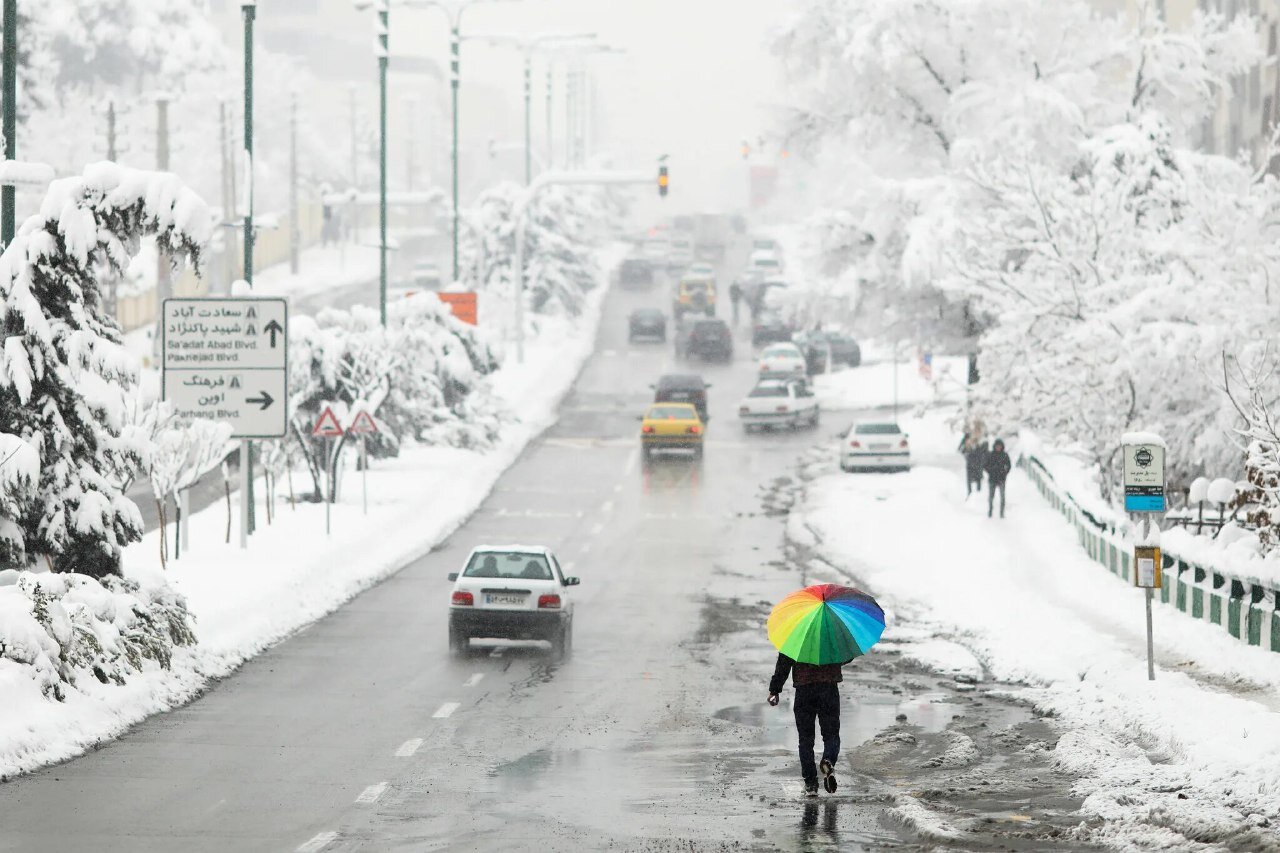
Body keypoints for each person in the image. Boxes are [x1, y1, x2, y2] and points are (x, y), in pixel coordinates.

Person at [768, 652, 844, 797]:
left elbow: (784, 662)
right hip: (829, 688)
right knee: (831, 735)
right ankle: (828, 761)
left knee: (806, 740)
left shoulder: (796, 635)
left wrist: (774, 690)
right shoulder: (832, 635)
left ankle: (811, 784)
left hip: (804, 690)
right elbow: (845, 656)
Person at [985, 438, 1012, 518]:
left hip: (1001, 479)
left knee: (1002, 497)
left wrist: (1005, 473)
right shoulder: (990, 455)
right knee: (991, 497)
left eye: (999, 446)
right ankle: (990, 511)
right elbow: (985, 465)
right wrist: (990, 471)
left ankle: (1002, 513)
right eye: (997, 446)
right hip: (992, 479)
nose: (998, 448)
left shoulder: (1005, 455)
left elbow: (1009, 465)